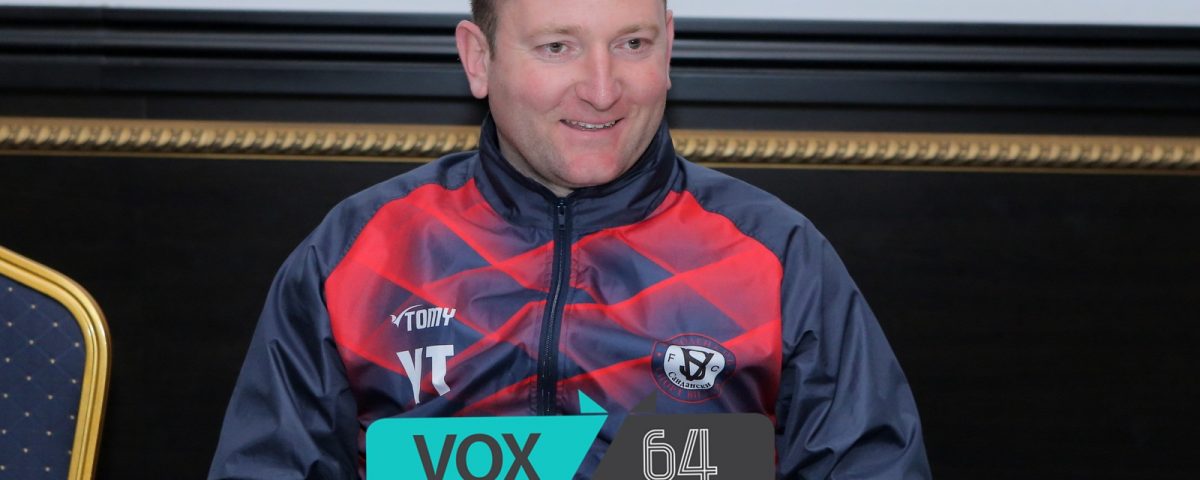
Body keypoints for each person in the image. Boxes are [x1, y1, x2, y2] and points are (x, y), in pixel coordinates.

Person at [208, 0, 930, 478]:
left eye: (632, 44)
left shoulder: (776, 255)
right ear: (478, 59)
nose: (602, 88)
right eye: (558, 47)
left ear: (669, 47)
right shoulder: (357, 252)